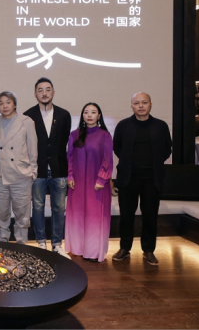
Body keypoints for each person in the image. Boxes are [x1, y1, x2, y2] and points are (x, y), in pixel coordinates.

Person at [112, 92, 172, 266]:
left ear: (150, 105)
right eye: (137, 103)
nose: (140, 106)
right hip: (128, 178)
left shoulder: (160, 126)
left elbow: (167, 148)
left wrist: (154, 163)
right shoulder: (123, 125)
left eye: (144, 102)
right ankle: (124, 248)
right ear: (131, 106)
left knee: (150, 216)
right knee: (126, 215)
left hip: (152, 179)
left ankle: (149, 250)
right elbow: (117, 147)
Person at [24, 77, 71, 258]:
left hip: (59, 169)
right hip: (38, 170)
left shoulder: (64, 115)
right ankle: (41, 243)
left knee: (59, 208)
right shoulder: (28, 116)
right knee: (37, 208)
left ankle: (57, 244)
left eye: (48, 89)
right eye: (40, 90)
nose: (44, 93)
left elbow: (64, 142)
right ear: (35, 94)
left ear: (53, 92)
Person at [65, 102, 114, 263]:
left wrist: (102, 179)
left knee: (95, 217)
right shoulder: (74, 134)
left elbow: (108, 159)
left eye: (93, 112)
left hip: (97, 184)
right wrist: (70, 176)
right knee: (78, 215)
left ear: (99, 116)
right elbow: (69, 157)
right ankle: (78, 248)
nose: (89, 115)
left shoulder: (105, 135)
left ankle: (93, 252)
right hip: (77, 183)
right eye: (86, 112)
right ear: (82, 115)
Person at [0, 91, 38, 245]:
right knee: (0, 214)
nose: (5, 106)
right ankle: (2, 243)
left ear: (14, 104)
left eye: (8, 102)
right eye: (1, 103)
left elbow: (33, 148)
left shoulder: (26, 122)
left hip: (21, 176)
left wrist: (33, 172)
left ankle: (21, 244)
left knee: (22, 215)